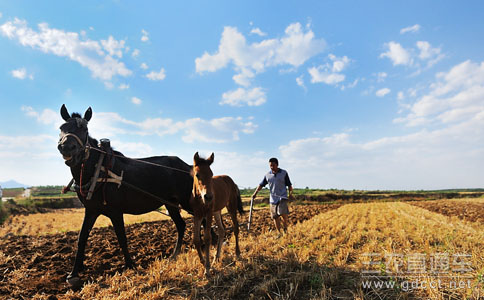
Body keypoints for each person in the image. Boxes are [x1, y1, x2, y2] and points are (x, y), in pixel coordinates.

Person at [252, 157, 293, 234]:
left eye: (273, 165)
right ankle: (279, 233)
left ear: (277, 165)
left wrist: (290, 194)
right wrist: (255, 193)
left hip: (282, 197)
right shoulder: (268, 175)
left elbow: (289, 185)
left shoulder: (284, 173)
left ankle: (285, 230)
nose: (272, 167)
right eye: (270, 165)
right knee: (275, 217)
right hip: (273, 199)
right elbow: (261, 185)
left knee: (283, 214)